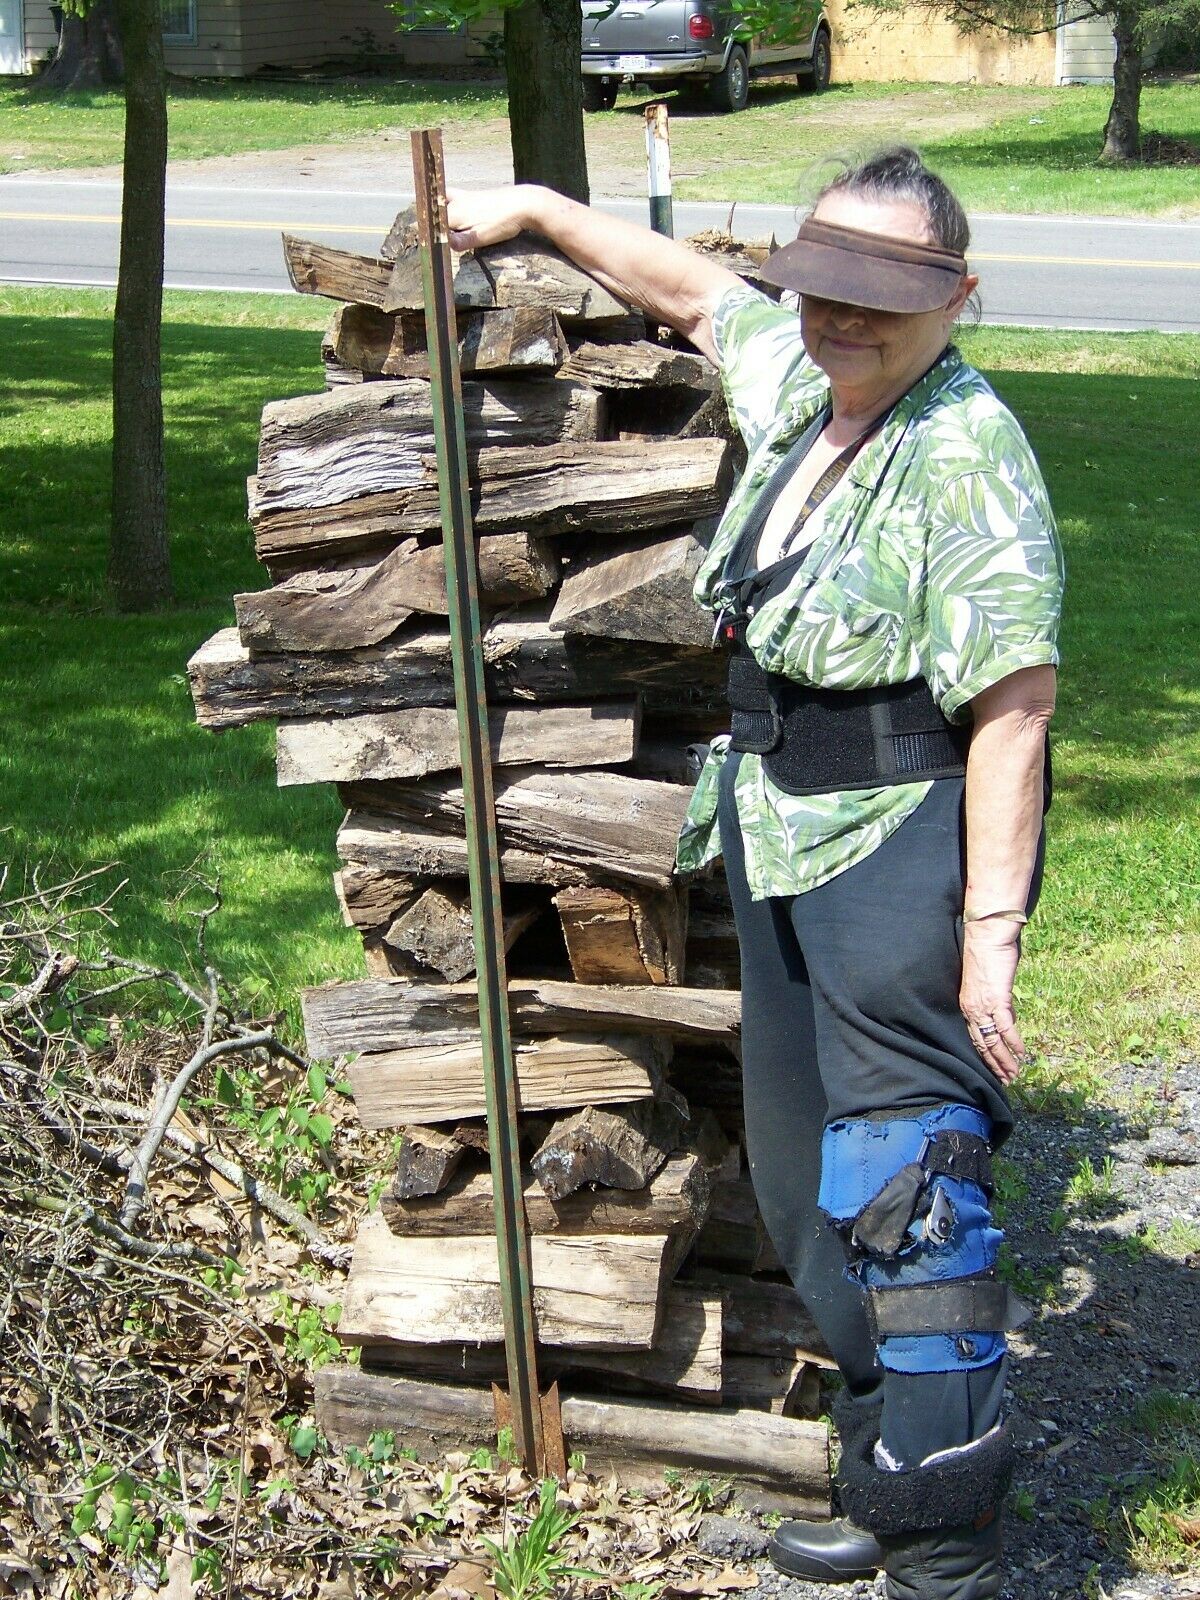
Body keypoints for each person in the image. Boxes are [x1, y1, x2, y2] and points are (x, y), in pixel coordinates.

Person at [448, 146, 1063, 1600]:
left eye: (881, 302)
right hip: (784, 828)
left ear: (958, 297)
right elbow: (692, 296)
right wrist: (536, 211)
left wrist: (987, 939)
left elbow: (1015, 713)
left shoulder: (969, 453)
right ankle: (885, 1467)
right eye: (826, 290)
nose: (842, 319)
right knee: (800, 1181)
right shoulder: (805, 385)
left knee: (909, 1187)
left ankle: (948, 1548)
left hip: (903, 839)